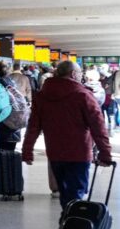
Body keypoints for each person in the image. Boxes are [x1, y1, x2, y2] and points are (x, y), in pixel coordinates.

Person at [22, 60, 113, 215]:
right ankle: (73, 228)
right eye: (79, 74)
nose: (81, 76)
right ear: (73, 74)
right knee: (76, 193)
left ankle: (68, 224)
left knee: (66, 194)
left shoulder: (42, 96)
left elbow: (33, 126)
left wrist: (27, 150)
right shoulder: (83, 95)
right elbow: (98, 126)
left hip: (55, 153)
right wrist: (105, 153)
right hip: (79, 153)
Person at [0, 62, 23, 151]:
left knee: (0, 151)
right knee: (10, 152)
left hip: (1, 122)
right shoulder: (12, 83)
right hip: (14, 122)